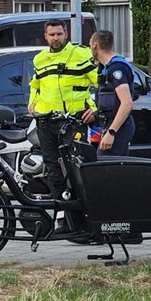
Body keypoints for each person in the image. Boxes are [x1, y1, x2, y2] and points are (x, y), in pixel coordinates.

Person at [27, 18, 98, 202]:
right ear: (45, 36)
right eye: (52, 35)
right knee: (53, 168)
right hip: (45, 122)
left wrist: (94, 109)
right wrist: (32, 102)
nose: (56, 38)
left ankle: (81, 212)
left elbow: (101, 83)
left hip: (72, 122)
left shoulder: (81, 54)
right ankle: (62, 213)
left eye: (59, 34)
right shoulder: (40, 59)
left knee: (75, 168)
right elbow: (35, 85)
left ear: (66, 34)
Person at [84, 29, 135, 158]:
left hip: (119, 127)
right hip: (113, 125)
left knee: (103, 168)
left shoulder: (116, 69)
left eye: (90, 45)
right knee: (120, 171)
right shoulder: (106, 68)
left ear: (95, 45)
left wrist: (111, 132)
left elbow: (126, 103)